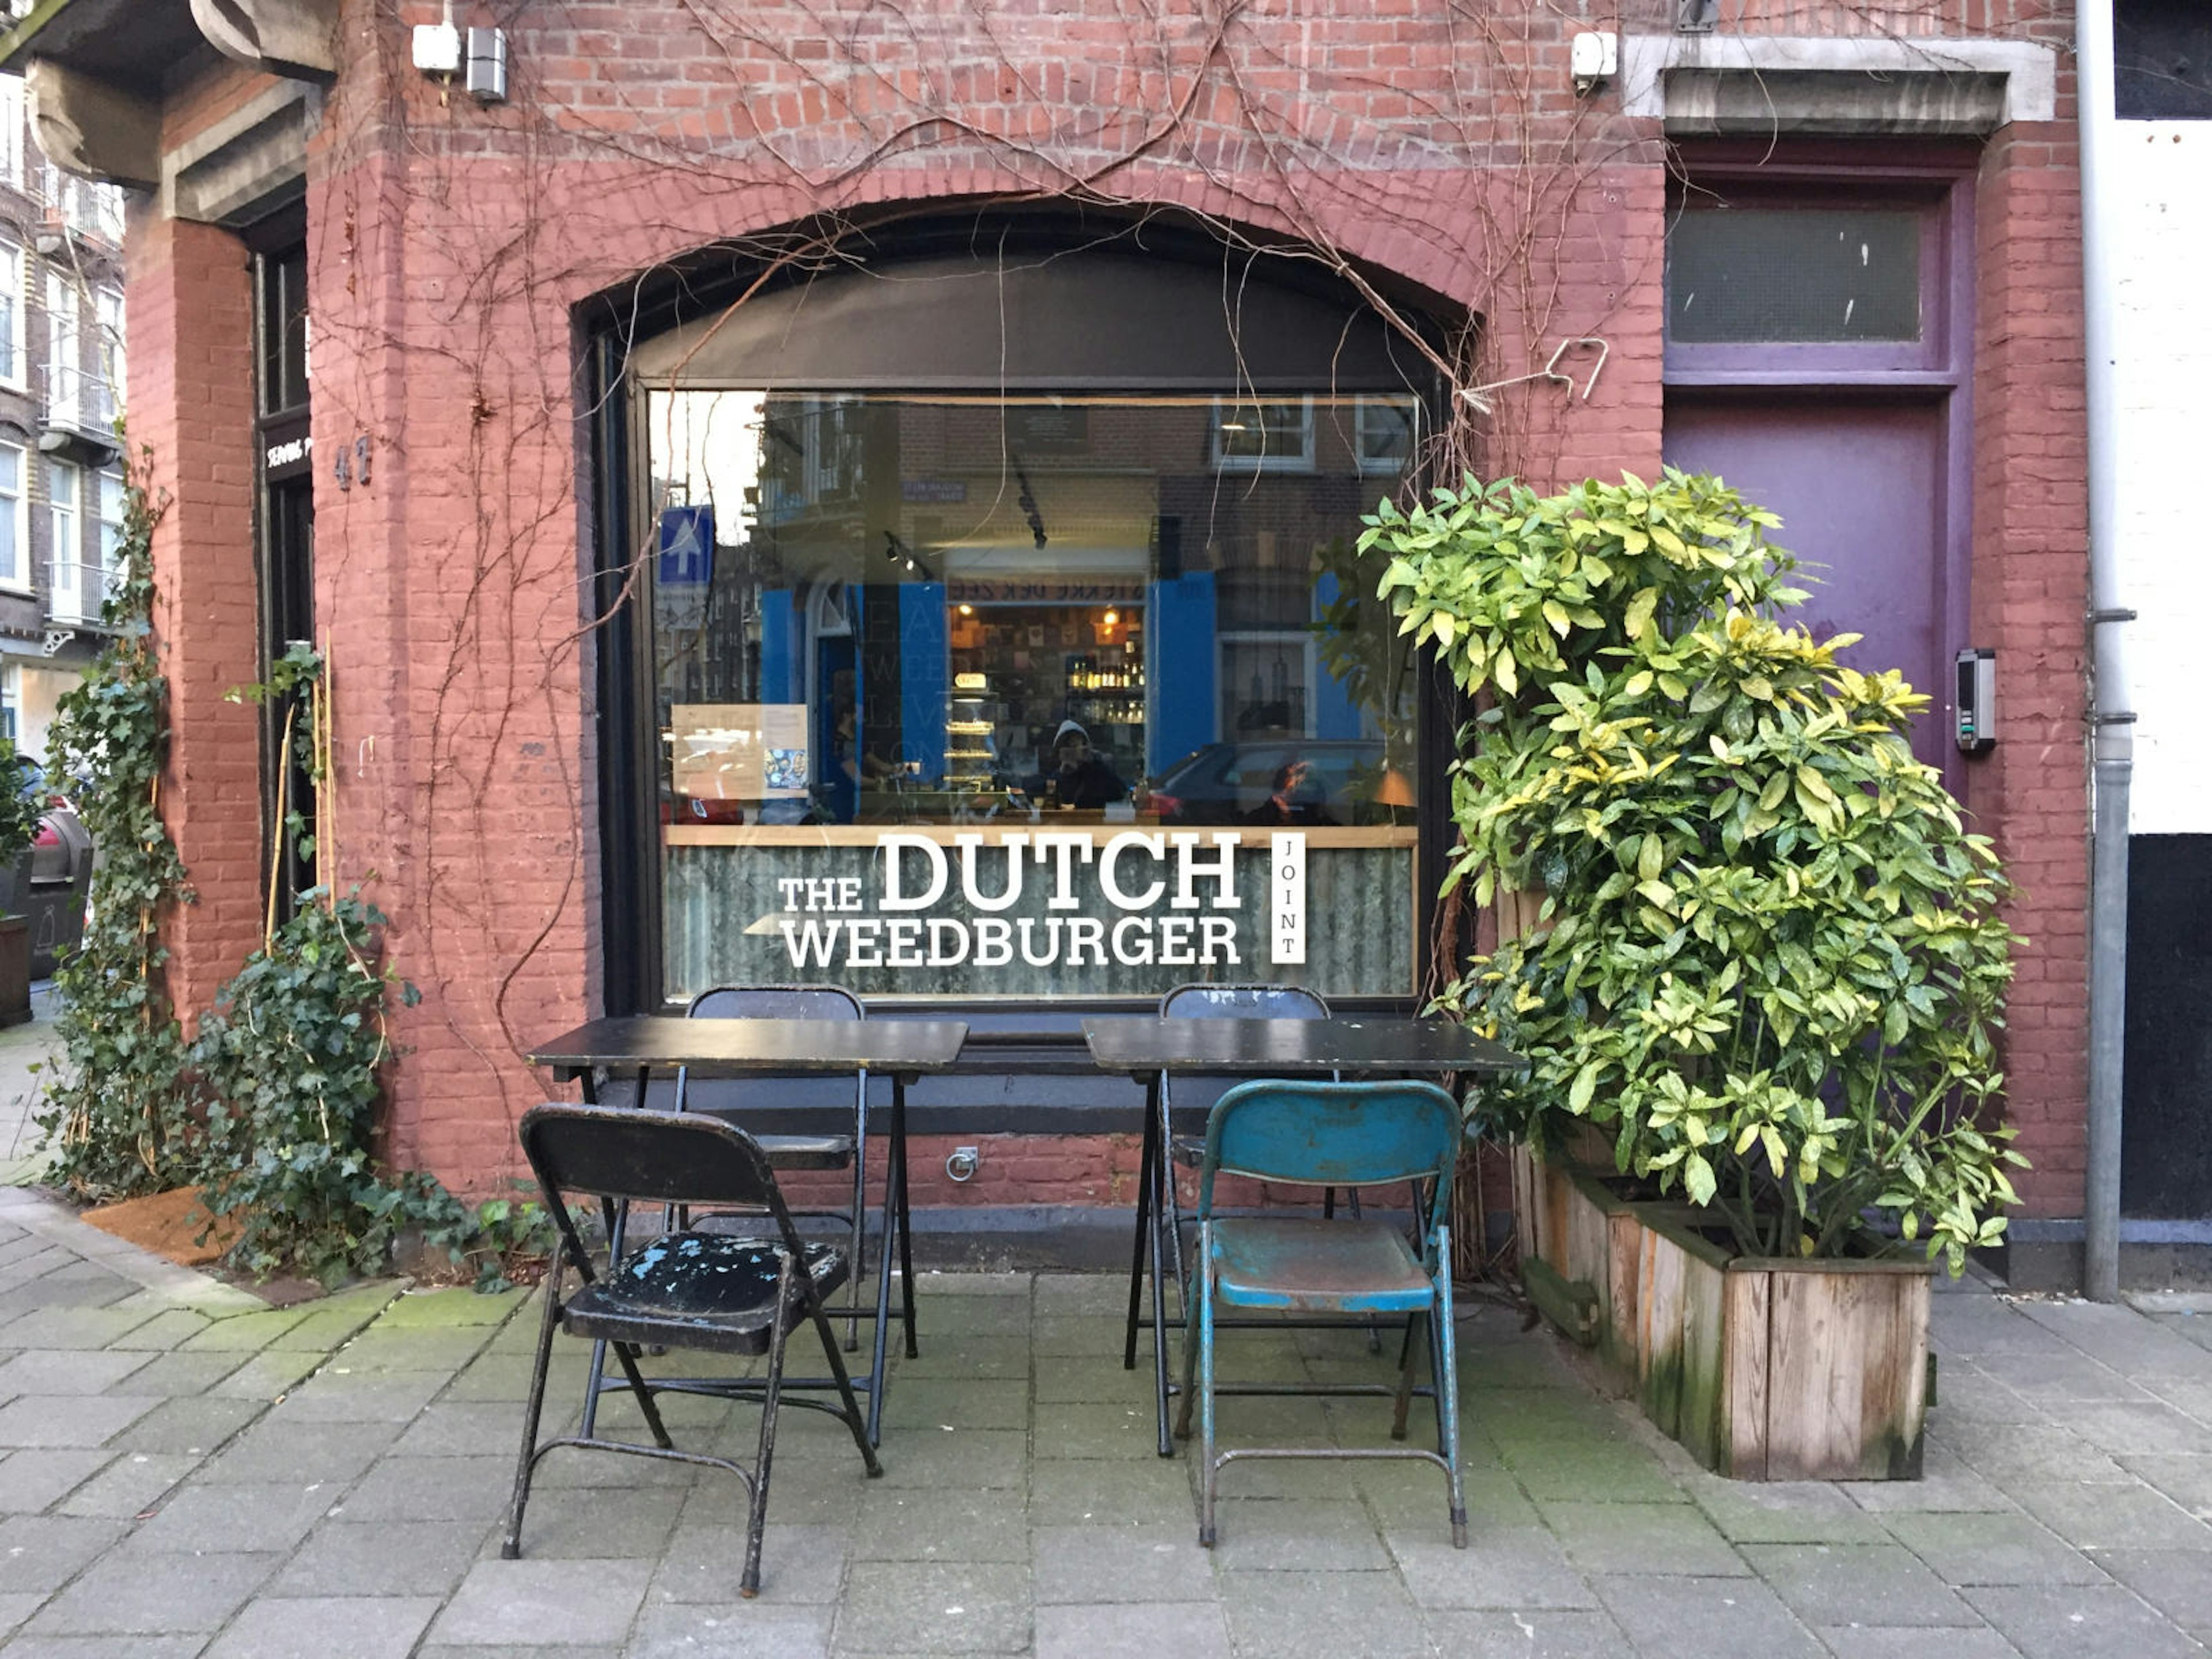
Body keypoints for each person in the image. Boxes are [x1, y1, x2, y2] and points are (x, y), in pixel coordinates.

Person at [1029, 719, 1127, 809]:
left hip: (1094, 824)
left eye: (1078, 747)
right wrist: (1061, 774)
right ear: (1059, 752)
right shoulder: (1051, 772)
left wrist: (1092, 764)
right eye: (1069, 749)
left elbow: (1120, 792)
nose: (1073, 753)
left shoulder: (1096, 773)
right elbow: (1032, 792)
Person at [1246, 756, 1338, 826]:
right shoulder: (1257, 819)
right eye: (1297, 774)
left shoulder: (1322, 822)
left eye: (1309, 776)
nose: (1302, 778)